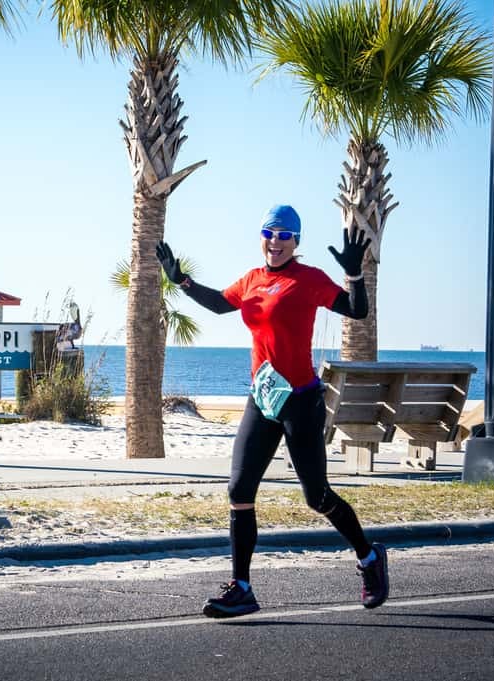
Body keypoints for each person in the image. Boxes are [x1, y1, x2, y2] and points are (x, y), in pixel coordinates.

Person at [156, 204, 389, 618]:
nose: (275, 242)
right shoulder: (252, 279)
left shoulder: (309, 279)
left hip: (300, 400)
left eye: (284, 235)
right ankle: (242, 588)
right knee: (239, 490)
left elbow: (357, 311)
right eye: (269, 233)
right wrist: (183, 281)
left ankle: (369, 558)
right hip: (263, 400)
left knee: (317, 496)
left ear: (296, 241)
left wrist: (354, 274)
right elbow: (220, 303)